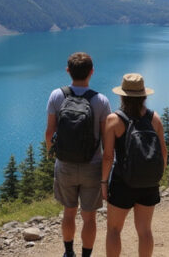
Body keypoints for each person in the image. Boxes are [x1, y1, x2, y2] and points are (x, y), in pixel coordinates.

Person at [46, 52, 111, 257]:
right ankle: (85, 255)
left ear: (68, 71)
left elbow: (49, 133)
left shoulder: (57, 95)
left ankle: (68, 252)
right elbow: (106, 139)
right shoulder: (101, 100)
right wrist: (105, 175)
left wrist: (54, 154)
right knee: (89, 218)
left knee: (69, 212)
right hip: (92, 166)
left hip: (64, 164)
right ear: (91, 72)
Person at [102, 73, 167, 257]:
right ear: (144, 95)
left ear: (122, 96)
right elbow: (163, 153)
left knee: (114, 230)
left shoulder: (113, 120)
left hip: (123, 182)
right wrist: (155, 177)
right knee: (145, 230)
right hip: (149, 184)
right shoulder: (155, 119)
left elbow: (108, 157)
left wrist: (103, 184)